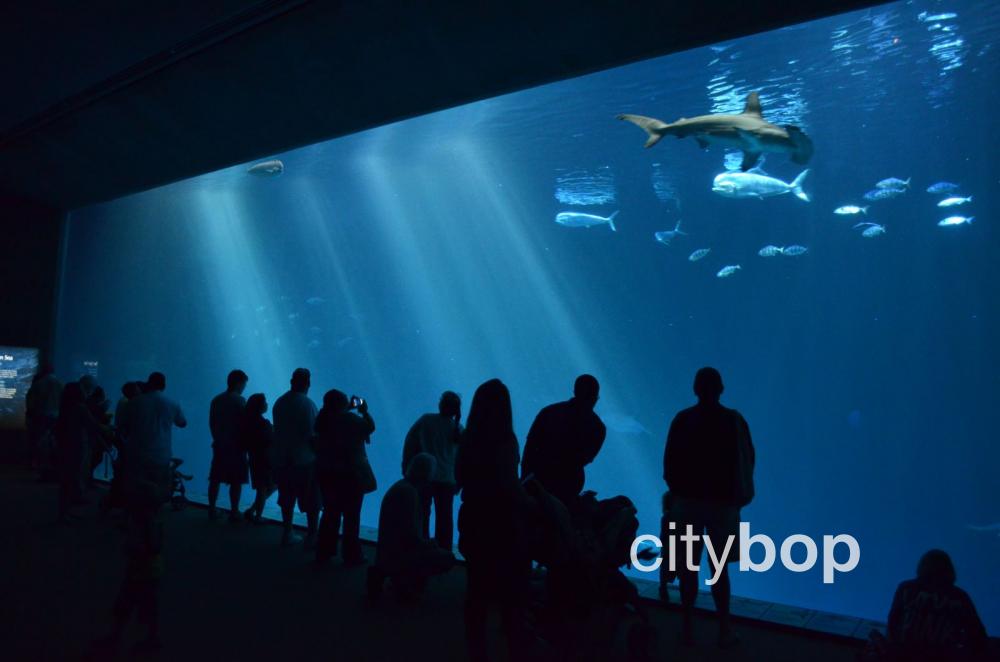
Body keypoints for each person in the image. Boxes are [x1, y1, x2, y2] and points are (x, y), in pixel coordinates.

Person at [663, 367, 754, 649]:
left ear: (695, 389)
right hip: (722, 508)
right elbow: (748, 458)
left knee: (689, 566)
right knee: (719, 569)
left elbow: (669, 464)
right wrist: (740, 498)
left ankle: (687, 624)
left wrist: (677, 494)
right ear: (721, 389)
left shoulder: (683, 419)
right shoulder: (734, 420)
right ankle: (724, 628)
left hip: (687, 504)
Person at [105, 371, 186, 652]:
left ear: (147, 384)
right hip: (161, 457)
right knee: (155, 501)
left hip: (138, 457)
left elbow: (123, 428)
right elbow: (183, 422)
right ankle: (150, 528)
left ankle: (134, 525)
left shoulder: (135, 403)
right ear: (164, 385)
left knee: (136, 498)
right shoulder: (171, 401)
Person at [456, 378, 535, 662]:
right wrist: (529, 502)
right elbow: (508, 485)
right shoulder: (505, 439)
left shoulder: (468, 438)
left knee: (476, 589)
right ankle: (515, 649)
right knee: (511, 591)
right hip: (502, 523)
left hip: (473, 517)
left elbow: (458, 478)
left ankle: (476, 651)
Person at [861, 549, 988, 661]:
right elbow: (977, 633)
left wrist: (893, 649)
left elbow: (893, 621)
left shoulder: (906, 588)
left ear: (922, 566)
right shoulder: (960, 597)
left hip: (903, 654)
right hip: (940, 657)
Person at [369, 453, 455, 600]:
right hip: (399, 554)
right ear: (427, 474)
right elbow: (411, 537)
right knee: (447, 558)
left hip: (386, 551)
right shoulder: (410, 494)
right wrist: (430, 544)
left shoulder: (401, 487)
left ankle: (393, 576)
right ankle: (404, 580)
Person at [520, 374, 606, 509]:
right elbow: (585, 459)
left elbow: (529, 448)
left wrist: (524, 479)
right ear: (595, 398)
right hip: (568, 489)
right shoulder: (598, 428)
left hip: (537, 480)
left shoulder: (549, 412)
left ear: (575, 391)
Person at [313, 389, 376, 565]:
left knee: (330, 514)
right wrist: (364, 411)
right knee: (351, 516)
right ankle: (351, 555)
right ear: (342, 404)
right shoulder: (351, 419)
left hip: (327, 473)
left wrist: (347, 408)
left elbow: (336, 418)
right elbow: (370, 426)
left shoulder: (323, 419)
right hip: (350, 474)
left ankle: (324, 553)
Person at [401, 390, 462, 549]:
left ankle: (422, 548)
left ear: (440, 404)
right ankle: (444, 552)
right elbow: (462, 459)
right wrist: (459, 482)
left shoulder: (426, 420)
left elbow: (410, 443)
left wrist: (406, 467)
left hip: (424, 477)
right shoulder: (459, 429)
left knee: (422, 514)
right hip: (447, 480)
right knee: (445, 518)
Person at [271, 368, 320, 547]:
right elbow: (312, 434)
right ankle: (312, 535)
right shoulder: (307, 404)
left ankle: (287, 532)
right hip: (304, 460)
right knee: (311, 500)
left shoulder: (280, 402)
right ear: (308, 383)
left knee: (287, 498)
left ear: (291, 382)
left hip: (283, 459)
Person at [54, 382, 112, 523]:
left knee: (67, 479)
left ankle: (64, 511)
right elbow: (93, 425)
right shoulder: (80, 408)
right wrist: (107, 429)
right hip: (77, 446)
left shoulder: (65, 407)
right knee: (72, 477)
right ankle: (64, 514)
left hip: (66, 445)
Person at [207, 369, 249, 522]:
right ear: (238, 383)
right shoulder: (240, 401)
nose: (244, 387)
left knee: (215, 478)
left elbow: (212, 423)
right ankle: (234, 511)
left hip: (219, 444)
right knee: (236, 480)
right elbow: (244, 424)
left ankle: (211, 508)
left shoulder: (216, 400)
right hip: (236, 446)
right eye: (244, 383)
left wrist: (217, 438)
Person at [239, 393, 276, 524]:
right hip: (265, 459)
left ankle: (253, 510)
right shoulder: (262, 423)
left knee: (267, 486)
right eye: (265, 402)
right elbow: (270, 439)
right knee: (265, 487)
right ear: (259, 406)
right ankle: (258, 516)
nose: (267, 404)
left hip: (254, 457)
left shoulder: (248, 422)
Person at [25, 362, 62, 476]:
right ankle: (49, 465)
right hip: (55, 417)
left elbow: (30, 401)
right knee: (51, 441)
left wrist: (30, 415)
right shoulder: (59, 384)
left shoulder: (38, 384)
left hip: (40, 416)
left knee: (38, 440)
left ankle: (37, 463)